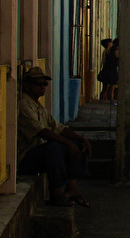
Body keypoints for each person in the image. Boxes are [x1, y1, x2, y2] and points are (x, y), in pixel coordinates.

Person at [16, 67, 93, 207]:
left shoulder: (38, 106)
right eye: (38, 84)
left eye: (44, 84)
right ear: (26, 85)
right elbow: (42, 131)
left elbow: (56, 127)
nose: (42, 87)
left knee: (76, 144)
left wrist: (80, 139)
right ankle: (56, 194)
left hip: (38, 152)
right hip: (25, 157)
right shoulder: (23, 106)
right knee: (54, 148)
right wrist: (67, 144)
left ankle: (72, 189)